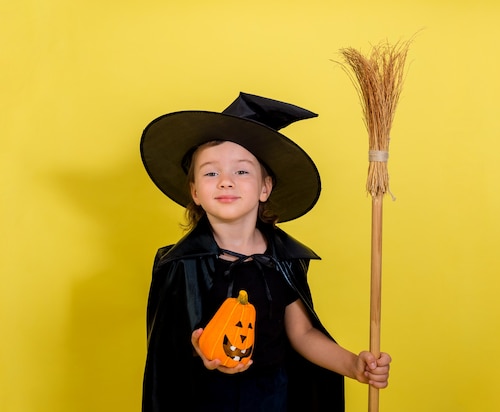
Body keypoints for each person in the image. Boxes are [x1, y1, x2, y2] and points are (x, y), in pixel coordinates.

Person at [140, 92, 391, 412]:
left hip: (275, 399)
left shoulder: (281, 260)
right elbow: (172, 348)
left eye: (241, 171)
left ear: (265, 187)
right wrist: (205, 350)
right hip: (206, 401)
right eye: (210, 173)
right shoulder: (180, 264)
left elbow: (302, 334)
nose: (226, 182)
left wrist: (353, 365)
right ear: (195, 192)